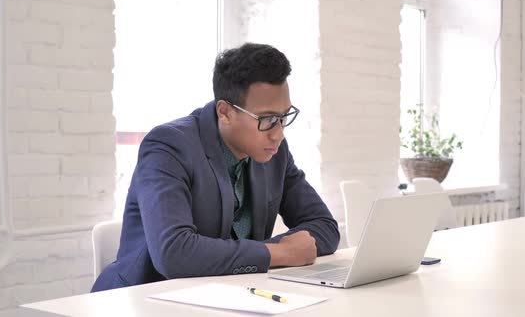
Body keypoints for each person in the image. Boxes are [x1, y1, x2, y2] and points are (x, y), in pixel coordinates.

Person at [91, 43, 340, 292]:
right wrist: (277, 253)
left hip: (227, 295)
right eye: (267, 119)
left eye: (284, 117)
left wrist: (275, 253)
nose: (278, 134)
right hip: (143, 298)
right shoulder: (168, 147)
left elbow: (325, 226)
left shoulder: (274, 152)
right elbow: (174, 253)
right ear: (225, 112)